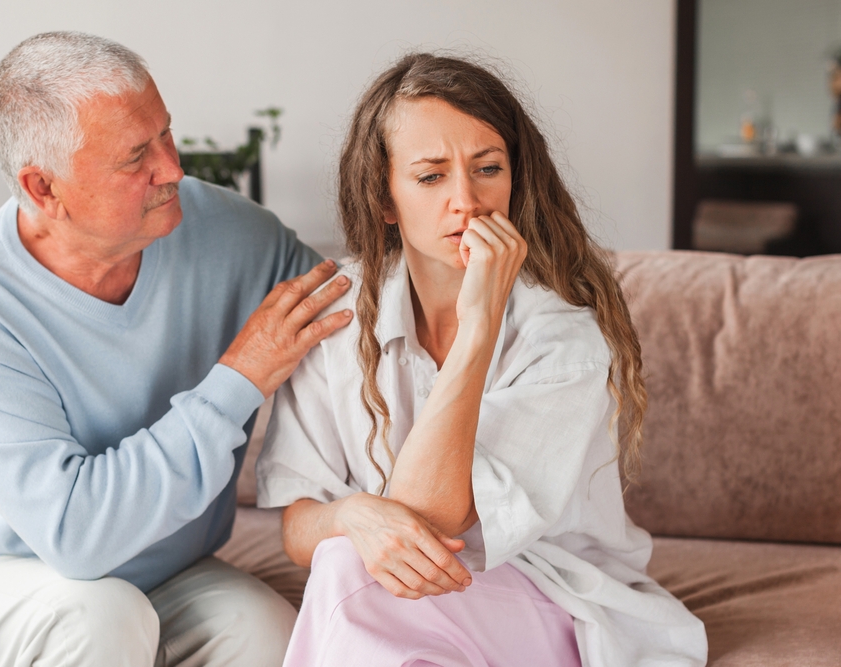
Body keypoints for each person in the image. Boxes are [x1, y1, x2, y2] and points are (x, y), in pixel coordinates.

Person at [0, 31, 353, 667]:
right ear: (43, 188)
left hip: (168, 567)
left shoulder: (229, 231)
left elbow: (364, 318)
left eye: (166, 134)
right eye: (138, 156)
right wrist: (239, 376)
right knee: (102, 617)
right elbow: (76, 538)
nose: (174, 169)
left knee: (268, 632)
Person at [256, 53, 708, 666]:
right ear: (384, 198)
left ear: (515, 181)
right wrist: (356, 515)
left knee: (349, 571)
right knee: (349, 562)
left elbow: (435, 515)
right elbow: (298, 527)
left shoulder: (561, 337)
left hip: (558, 602)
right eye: (430, 176)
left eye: (488, 168)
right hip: (399, 597)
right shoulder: (339, 312)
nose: (466, 201)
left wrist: (478, 329)